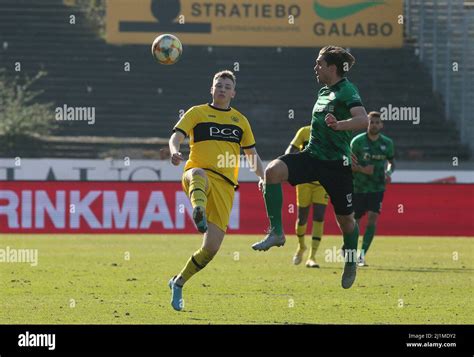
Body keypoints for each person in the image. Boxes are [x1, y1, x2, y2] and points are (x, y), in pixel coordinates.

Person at [251, 45, 368, 289]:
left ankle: (349, 261)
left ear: (332, 68)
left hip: (337, 165)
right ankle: (277, 232)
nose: (315, 67)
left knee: (346, 222)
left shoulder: (346, 89)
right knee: (272, 171)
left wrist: (340, 125)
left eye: (319, 64)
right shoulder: (323, 92)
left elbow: (363, 120)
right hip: (312, 157)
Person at [168, 70, 265, 310]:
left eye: (226, 86)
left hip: (225, 185)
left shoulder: (240, 121)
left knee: (210, 249)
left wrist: (264, 178)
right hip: (197, 173)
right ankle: (198, 210)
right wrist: (173, 151)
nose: (222, 89)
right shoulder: (197, 113)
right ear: (211, 89)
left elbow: (252, 155)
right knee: (199, 175)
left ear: (233, 92)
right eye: (218, 85)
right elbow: (176, 137)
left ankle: (178, 282)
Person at [351, 111, 395, 267]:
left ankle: (361, 255)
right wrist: (362, 170)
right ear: (366, 124)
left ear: (381, 125)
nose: (374, 125)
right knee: (353, 221)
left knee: (372, 218)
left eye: (377, 122)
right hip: (357, 187)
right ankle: (349, 248)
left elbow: (391, 162)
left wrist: (388, 173)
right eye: (371, 122)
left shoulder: (387, 143)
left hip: (377, 187)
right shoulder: (357, 142)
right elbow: (348, 164)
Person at [285, 126, 328, 268]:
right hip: (304, 182)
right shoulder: (304, 131)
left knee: (319, 216)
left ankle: (312, 257)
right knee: (302, 217)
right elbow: (290, 149)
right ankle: (301, 246)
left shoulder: (332, 133)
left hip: (322, 183)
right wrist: (288, 163)